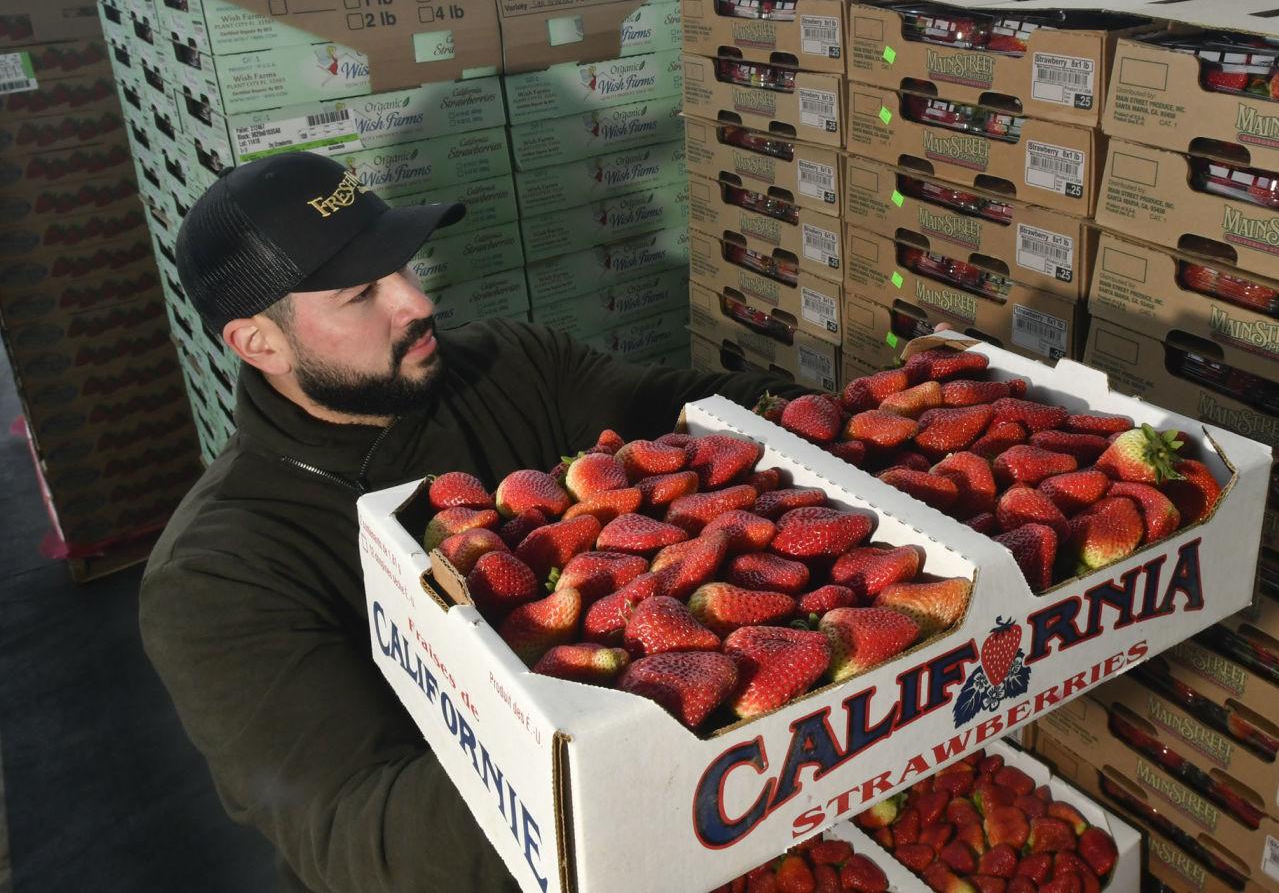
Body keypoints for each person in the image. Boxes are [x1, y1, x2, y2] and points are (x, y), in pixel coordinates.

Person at [139, 151, 800, 893]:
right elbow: (360, 834)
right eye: (362, 294)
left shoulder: (513, 365)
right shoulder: (220, 573)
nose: (415, 303)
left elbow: (680, 406)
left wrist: (828, 410)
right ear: (258, 343)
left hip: (721, 805)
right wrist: (619, 742)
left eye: (404, 266)